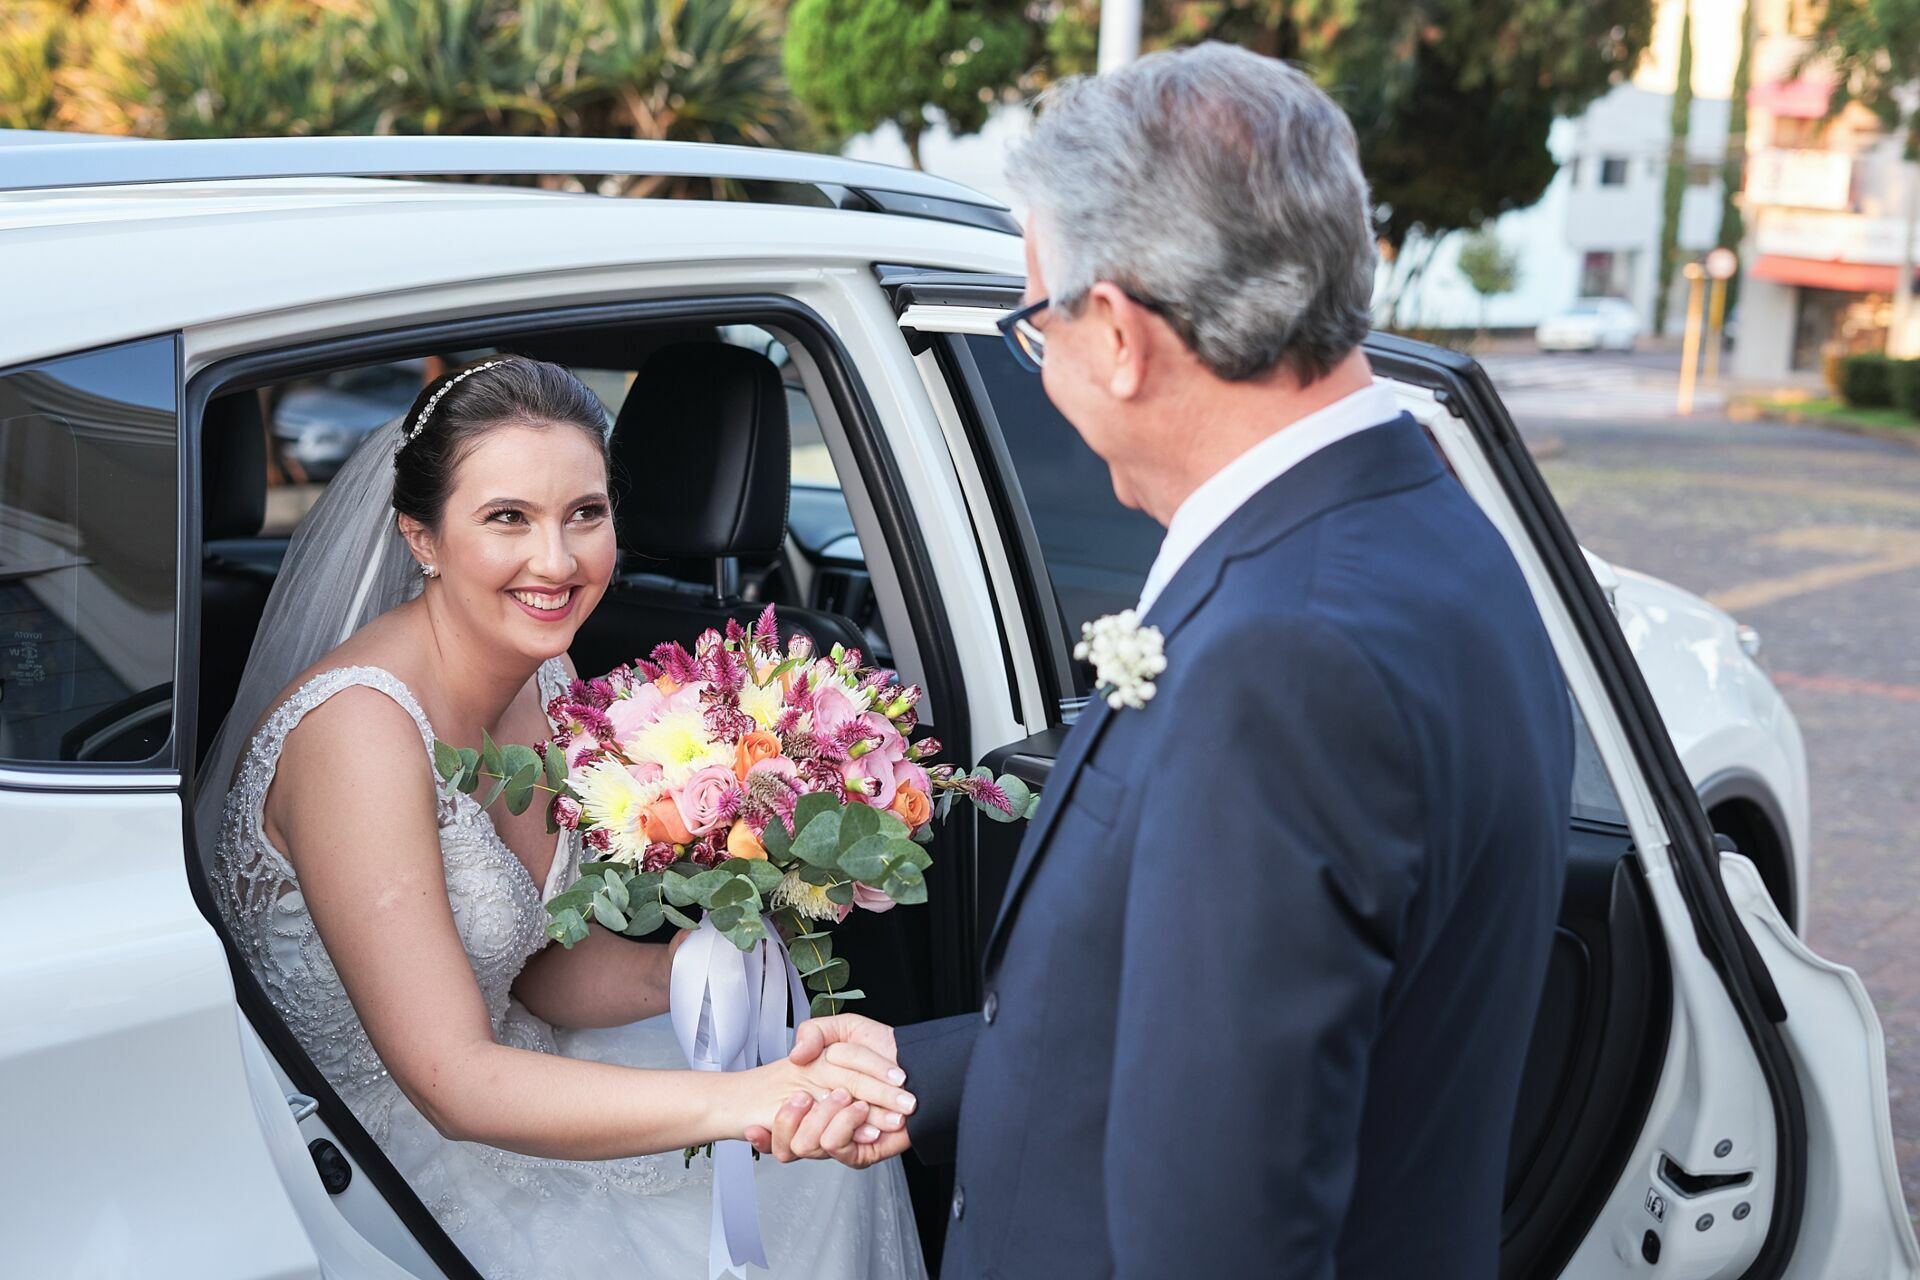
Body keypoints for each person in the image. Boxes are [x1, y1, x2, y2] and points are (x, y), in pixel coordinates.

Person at [753, 42, 1575, 1279]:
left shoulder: (1279, 659)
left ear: (1122, 334)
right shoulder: (1432, 526)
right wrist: (913, 1070)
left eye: (1039, 328)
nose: (1051, 369)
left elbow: (1222, 1229)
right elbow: (1239, 1026)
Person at [202, 356, 926, 1278]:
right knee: (779, 1154)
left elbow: (536, 965)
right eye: (508, 518)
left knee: (820, 1167)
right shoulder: (358, 733)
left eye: (585, 513)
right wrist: (757, 1097)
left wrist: (695, 969)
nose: (557, 561)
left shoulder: (545, 678)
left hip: (511, 1058)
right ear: (421, 538)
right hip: (383, 1152)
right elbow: (454, 1086)